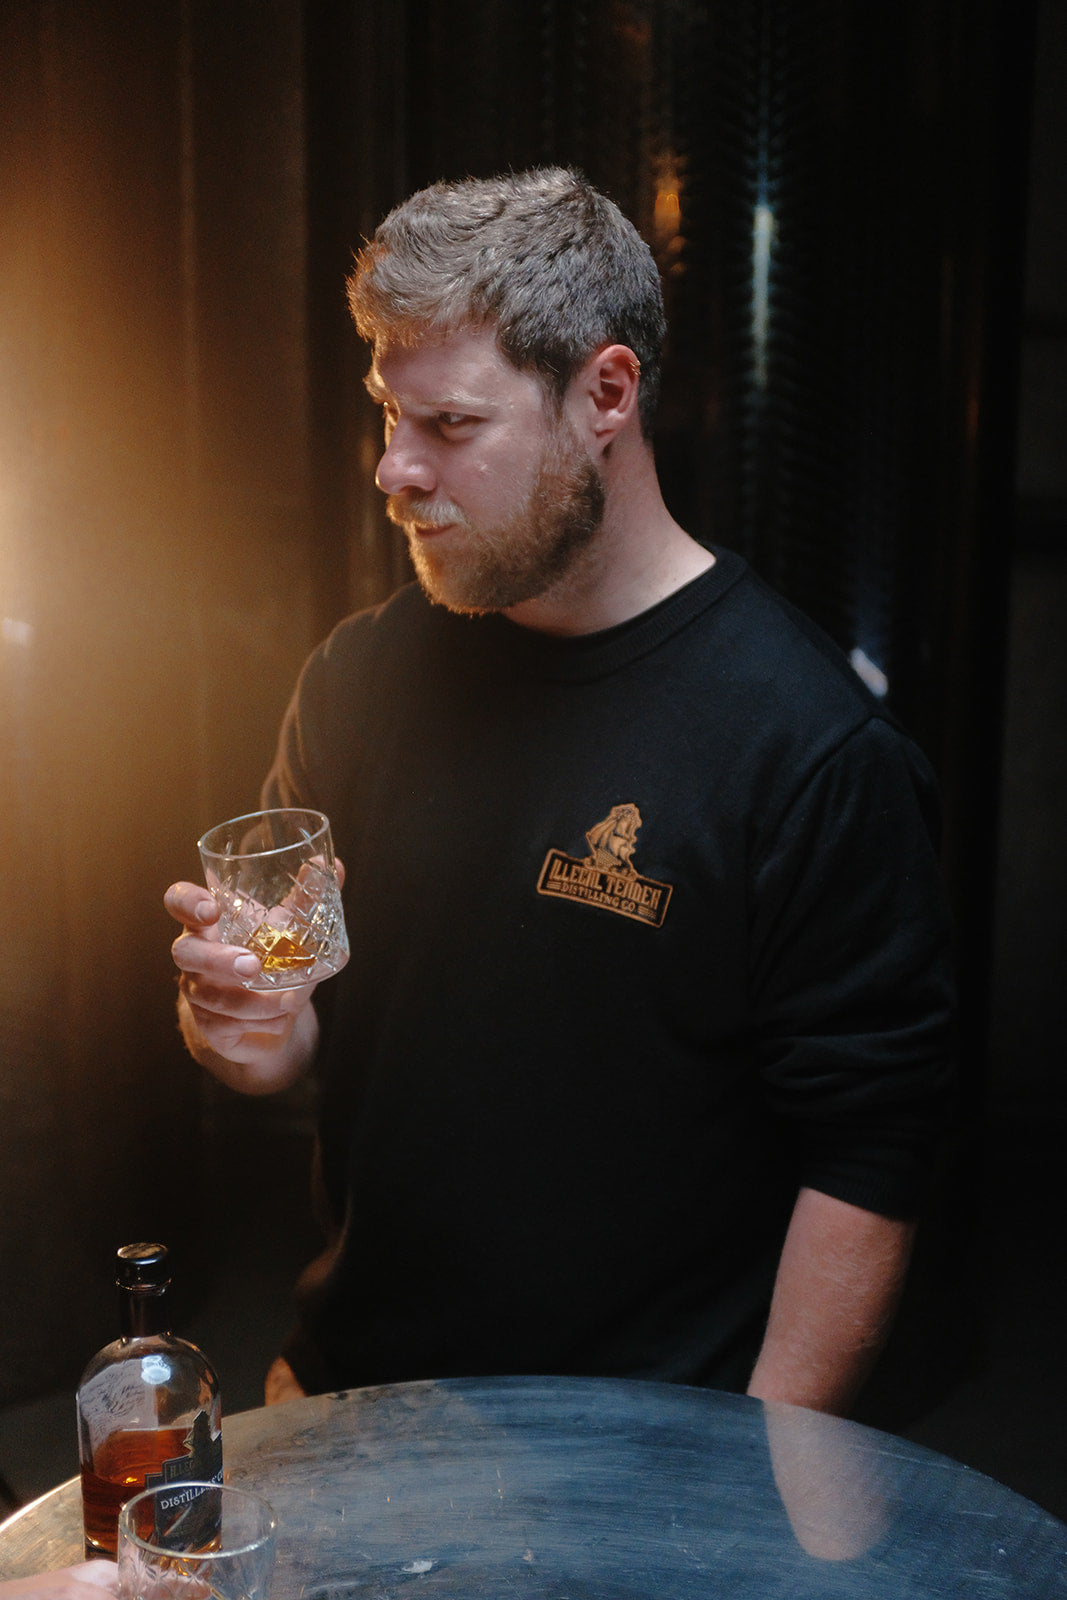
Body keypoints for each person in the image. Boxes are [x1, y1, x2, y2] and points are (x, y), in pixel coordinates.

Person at [166, 167, 954, 1418]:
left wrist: (752, 1477)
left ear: (605, 393)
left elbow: (864, 1160)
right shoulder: (360, 677)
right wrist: (249, 1021)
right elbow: (296, 1022)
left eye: (453, 427)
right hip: (359, 1396)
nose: (393, 470)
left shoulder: (808, 748)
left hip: (650, 1446)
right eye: (388, 413)